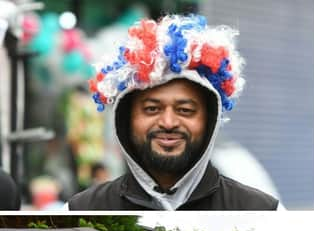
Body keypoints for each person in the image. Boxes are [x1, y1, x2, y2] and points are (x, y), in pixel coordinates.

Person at [67, 15, 279, 210]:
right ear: (126, 119)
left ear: (209, 119)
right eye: (152, 109)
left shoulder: (263, 210)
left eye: (185, 110)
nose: (168, 122)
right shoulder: (81, 209)